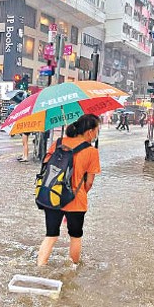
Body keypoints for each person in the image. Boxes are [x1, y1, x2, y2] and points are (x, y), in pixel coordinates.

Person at [37, 114, 101, 267]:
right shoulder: (92, 152)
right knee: (75, 236)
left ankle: (40, 266)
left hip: (53, 195)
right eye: (97, 130)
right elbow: (89, 183)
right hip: (76, 200)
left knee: (51, 235)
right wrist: (76, 196)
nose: (97, 133)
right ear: (90, 132)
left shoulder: (58, 143)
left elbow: (46, 168)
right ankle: (73, 269)